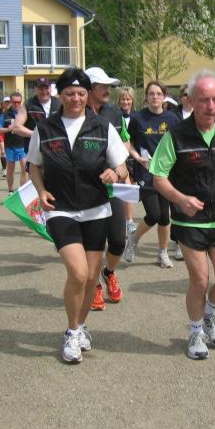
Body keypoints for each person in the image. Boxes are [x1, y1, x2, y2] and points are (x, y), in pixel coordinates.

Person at [27, 67, 129, 364]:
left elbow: (122, 167)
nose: (75, 98)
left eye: (81, 93)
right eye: (69, 93)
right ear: (60, 95)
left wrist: (115, 173)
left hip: (97, 209)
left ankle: (81, 325)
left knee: (91, 278)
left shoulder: (102, 127)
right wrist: (40, 190)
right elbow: (34, 165)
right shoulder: (45, 129)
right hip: (61, 210)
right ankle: (71, 332)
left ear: (88, 95)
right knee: (78, 273)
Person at [150, 70, 215, 360]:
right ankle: (195, 332)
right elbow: (158, 177)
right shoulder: (176, 135)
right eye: (204, 100)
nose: (211, 106)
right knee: (200, 280)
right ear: (191, 100)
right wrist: (180, 199)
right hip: (189, 221)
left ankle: (210, 312)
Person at [122, 81, 181, 268]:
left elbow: (179, 143)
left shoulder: (172, 119)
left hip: (166, 173)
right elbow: (128, 142)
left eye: (158, 94)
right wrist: (137, 157)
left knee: (164, 217)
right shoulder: (138, 118)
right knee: (154, 214)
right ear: (146, 97)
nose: (155, 97)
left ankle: (162, 254)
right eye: (151, 94)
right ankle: (133, 239)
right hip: (145, 172)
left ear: (164, 97)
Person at [85, 66, 128, 309]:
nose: (108, 91)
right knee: (92, 243)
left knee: (119, 240)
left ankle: (108, 271)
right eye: (104, 86)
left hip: (111, 189)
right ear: (90, 88)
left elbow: (123, 148)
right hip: (83, 191)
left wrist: (121, 172)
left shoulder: (114, 114)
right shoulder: (73, 115)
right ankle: (94, 286)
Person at [13, 78, 62, 153]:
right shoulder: (28, 105)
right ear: (35, 89)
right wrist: (36, 134)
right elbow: (16, 127)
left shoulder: (60, 104)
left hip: (57, 150)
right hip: (35, 150)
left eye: (46, 88)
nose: (44, 91)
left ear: (51, 88)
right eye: (41, 89)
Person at [0, 92, 28, 193]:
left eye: (19, 102)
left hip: (23, 144)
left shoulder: (26, 113)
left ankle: (22, 191)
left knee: (25, 168)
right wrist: (8, 129)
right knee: (10, 169)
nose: (16, 104)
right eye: (14, 102)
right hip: (10, 145)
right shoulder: (5, 114)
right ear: (11, 102)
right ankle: (10, 190)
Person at [117, 86, 137, 236]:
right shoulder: (115, 116)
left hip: (133, 156)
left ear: (132, 100)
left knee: (130, 188)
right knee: (125, 187)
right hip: (119, 156)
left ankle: (128, 220)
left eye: (128, 99)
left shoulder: (137, 117)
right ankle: (126, 221)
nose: (125, 102)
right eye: (123, 99)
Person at [0, 96, 11, 177]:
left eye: (9, 102)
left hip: (10, 134)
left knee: (8, 151)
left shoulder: (13, 111)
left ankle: (9, 167)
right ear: (3, 103)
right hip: (1, 133)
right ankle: (4, 169)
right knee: (3, 151)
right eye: (6, 102)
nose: (7, 104)